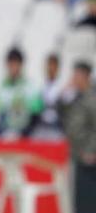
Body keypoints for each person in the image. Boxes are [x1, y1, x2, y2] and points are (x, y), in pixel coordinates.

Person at [57, 61, 96, 213]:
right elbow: (61, 113)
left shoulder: (92, 98)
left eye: (77, 75)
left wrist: (92, 150)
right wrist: (63, 94)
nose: (74, 78)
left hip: (90, 157)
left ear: (85, 76)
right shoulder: (75, 97)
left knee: (89, 201)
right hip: (77, 155)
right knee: (78, 201)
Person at [0, 48, 43, 138]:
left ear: (21, 65)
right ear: (7, 65)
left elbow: (36, 114)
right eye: (11, 64)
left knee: (11, 136)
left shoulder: (31, 87)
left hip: (20, 135)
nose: (13, 67)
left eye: (16, 64)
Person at [31, 54, 65, 140]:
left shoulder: (62, 87)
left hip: (56, 127)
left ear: (57, 68)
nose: (51, 68)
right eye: (49, 65)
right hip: (41, 126)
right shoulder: (39, 85)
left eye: (54, 65)